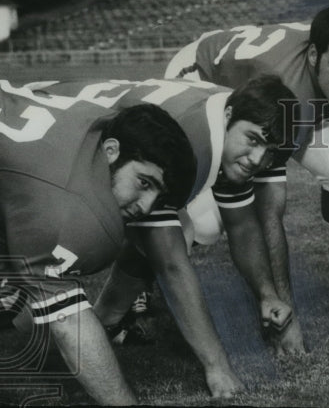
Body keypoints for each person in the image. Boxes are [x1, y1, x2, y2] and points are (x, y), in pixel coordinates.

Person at [49, 76, 298, 397]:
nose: (257, 159)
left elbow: (243, 226)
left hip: (87, 120)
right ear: (228, 117)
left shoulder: (232, 116)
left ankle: (106, 319)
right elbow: (171, 264)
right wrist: (217, 366)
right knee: (49, 277)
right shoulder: (196, 142)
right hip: (59, 128)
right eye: (253, 140)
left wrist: (267, 293)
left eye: (269, 152)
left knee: (165, 223)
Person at [166, 5, 329, 305]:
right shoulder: (290, 93)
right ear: (314, 56)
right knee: (205, 223)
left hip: (285, 90)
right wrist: (282, 301)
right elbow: (269, 210)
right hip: (202, 73)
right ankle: (148, 280)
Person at [0, 84, 196, 405]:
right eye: (143, 183)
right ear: (111, 151)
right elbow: (69, 322)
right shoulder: (70, 208)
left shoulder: (100, 121)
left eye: (156, 195)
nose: (145, 207)